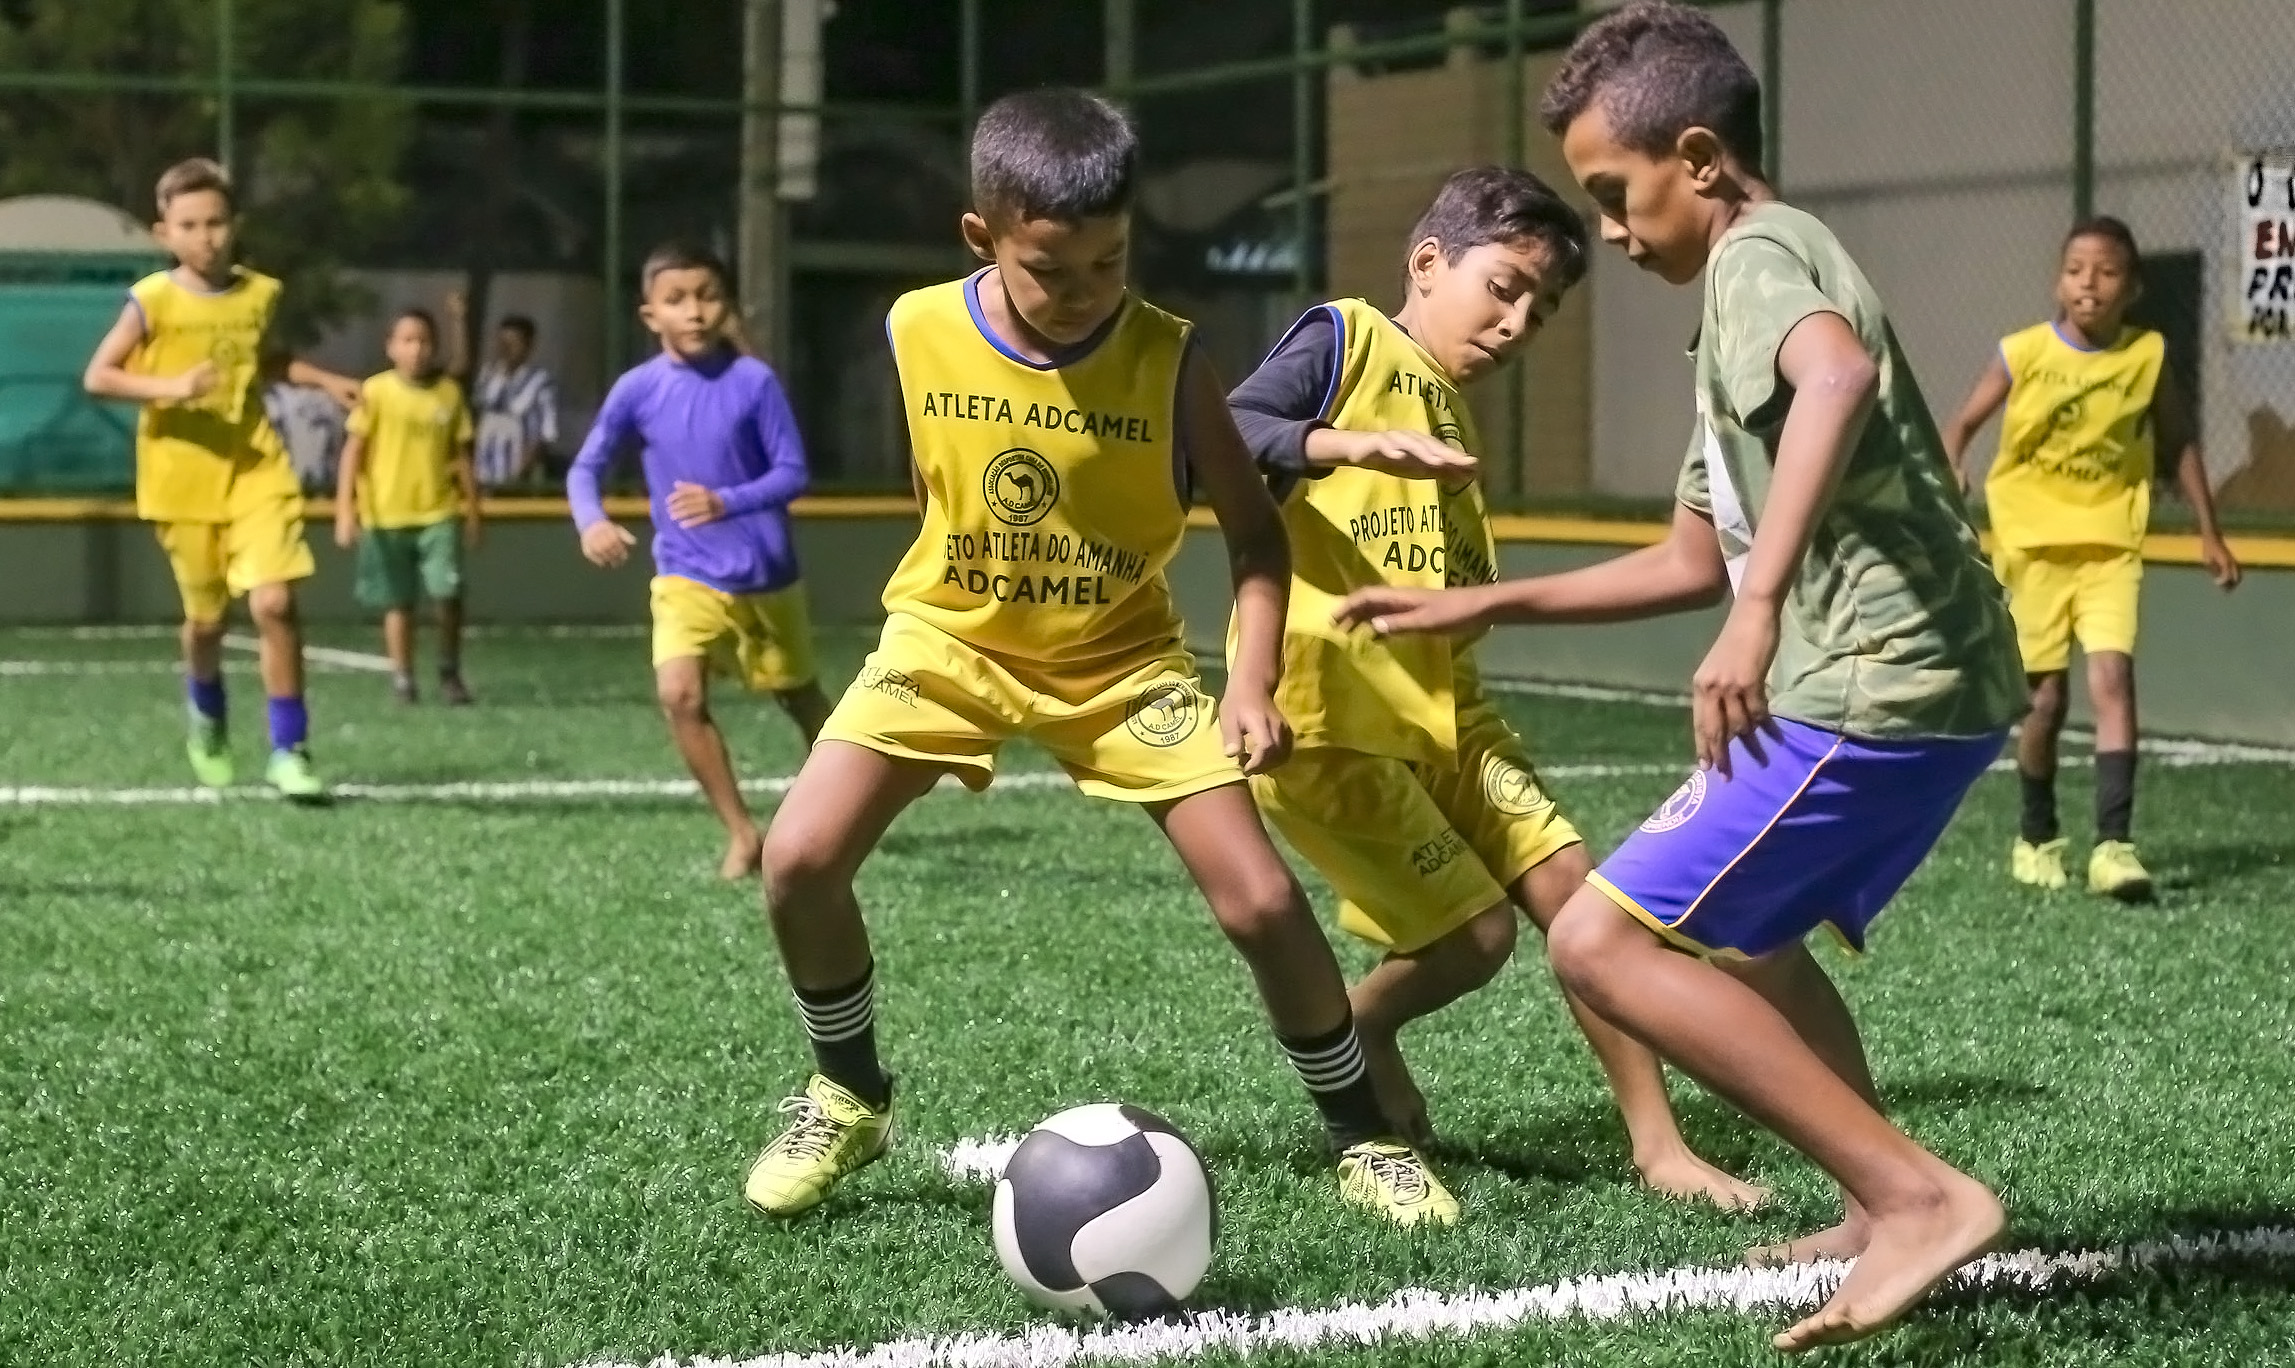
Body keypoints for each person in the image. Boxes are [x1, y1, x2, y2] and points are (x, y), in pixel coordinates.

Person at [1336, 2, 2027, 1348]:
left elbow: (1825, 383)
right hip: (1921, 673)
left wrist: (1758, 612)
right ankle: (1869, 1197)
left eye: (1612, 192)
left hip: (1875, 672)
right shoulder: (1731, 303)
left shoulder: (1760, 257)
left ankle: (1917, 1200)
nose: (1603, 227)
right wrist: (1477, 601)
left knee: (1596, 942)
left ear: (1698, 159)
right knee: (1750, 943)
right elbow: (1679, 560)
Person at [743, 88, 1454, 1227]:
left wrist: (1253, 680)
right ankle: (848, 1088)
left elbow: (1255, 531)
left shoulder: (1167, 358)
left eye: (1109, 264)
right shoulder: (916, 327)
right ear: (982, 237)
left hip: (1121, 663)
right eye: (1052, 270)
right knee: (797, 859)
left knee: (1263, 901)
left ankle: (1361, 1133)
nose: (1084, 294)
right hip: (948, 638)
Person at [1228, 165, 1763, 1210]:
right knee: (1473, 942)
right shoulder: (1345, 339)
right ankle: (1359, 1026)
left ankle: (1655, 1146)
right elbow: (1225, 432)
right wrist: (1337, 442)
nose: (1518, 323)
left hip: (1452, 712)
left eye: (1542, 307)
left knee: (1588, 907)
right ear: (1426, 264)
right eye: (1502, 287)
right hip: (1334, 721)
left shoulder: (1450, 413)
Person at [1941, 216, 2242, 900]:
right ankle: (2037, 833)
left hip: (2109, 546)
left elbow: (2179, 442)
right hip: (2032, 548)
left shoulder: (2147, 356)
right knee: (2044, 703)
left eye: (2106, 272)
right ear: (2058, 282)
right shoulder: (2022, 353)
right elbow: (1959, 424)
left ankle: (2113, 847)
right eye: (2076, 270)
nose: (2089, 284)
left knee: (2113, 681)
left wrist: (2208, 531)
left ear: (2130, 288)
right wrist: (1950, 465)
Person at [81, 156, 361, 800]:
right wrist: (171, 387)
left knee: (274, 603)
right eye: (190, 224)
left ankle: (290, 749)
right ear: (164, 233)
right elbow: (100, 376)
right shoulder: (151, 300)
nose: (206, 236)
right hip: (181, 479)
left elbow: (262, 361)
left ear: (235, 225)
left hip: (255, 468)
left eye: (216, 222)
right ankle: (206, 713)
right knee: (207, 623)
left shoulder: (261, 294)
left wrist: (325, 381)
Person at [568, 242, 832, 881]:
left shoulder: (754, 383)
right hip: (686, 572)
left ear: (727, 307)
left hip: (767, 577)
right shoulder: (637, 389)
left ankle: (838, 815)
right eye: (676, 299)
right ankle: (743, 832)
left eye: (707, 297)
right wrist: (592, 521)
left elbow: (794, 472)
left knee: (803, 702)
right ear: (649, 314)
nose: (694, 312)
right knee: (679, 695)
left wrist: (728, 501)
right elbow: (586, 468)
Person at [334, 307, 481, 706]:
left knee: (447, 595)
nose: (416, 349)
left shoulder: (449, 394)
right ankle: (403, 677)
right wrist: (345, 511)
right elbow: (353, 452)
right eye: (407, 341)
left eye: (424, 341)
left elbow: (461, 456)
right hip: (386, 516)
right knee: (398, 602)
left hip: (438, 514)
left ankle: (449, 671)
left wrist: (472, 510)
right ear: (391, 347)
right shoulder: (376, 392)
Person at [445, 291, 562, 490]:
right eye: (501, 342)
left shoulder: (541, 383)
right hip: (482, 477)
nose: (505, 348)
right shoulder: (489, 375)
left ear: (529, 345)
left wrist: (518, 477)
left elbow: (544, 436)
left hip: (518, 482)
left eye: (512, 343)